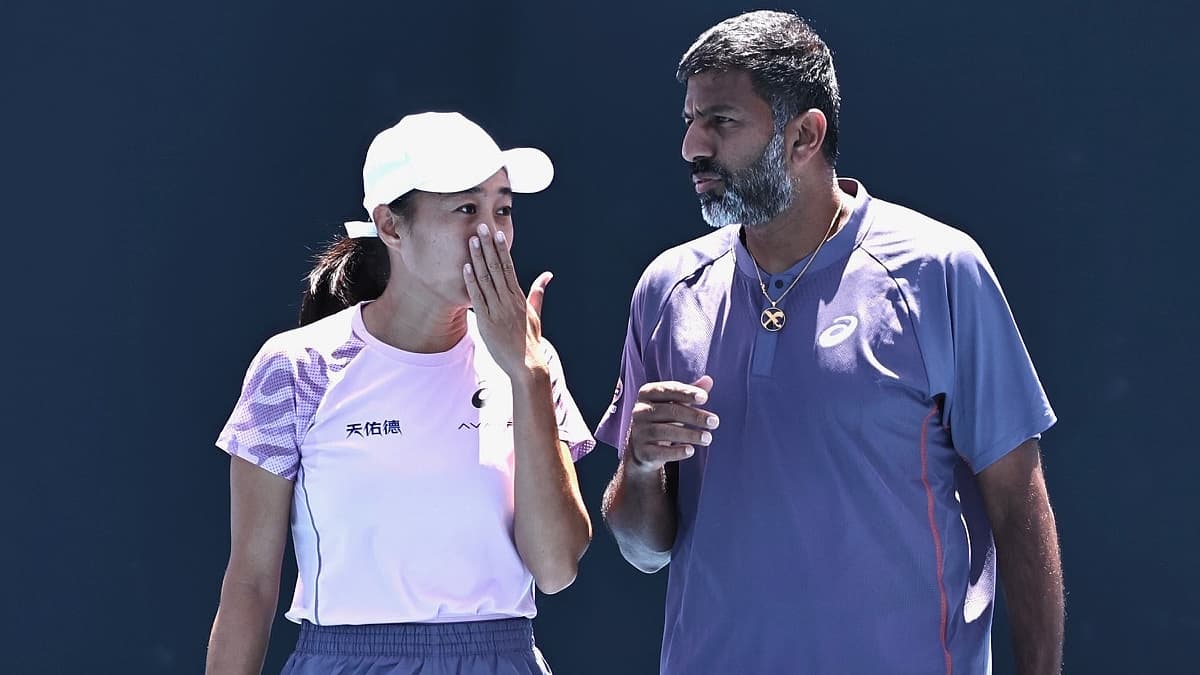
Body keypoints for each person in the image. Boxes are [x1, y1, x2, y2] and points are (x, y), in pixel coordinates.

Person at [597, 11, 1063, 675]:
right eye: (690, 120)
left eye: (721, 121)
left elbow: (1018, 501)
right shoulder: (665, 290)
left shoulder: (940, 271)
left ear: (804, 136)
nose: (691, 147)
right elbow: (646, 549)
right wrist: (640, 465)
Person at [206, 111, 594, 675]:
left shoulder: (533, 364)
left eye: (503, 209)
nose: (494, 234)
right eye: (466, 209)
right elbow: (250, 582)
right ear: (390, 225)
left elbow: (556, 568)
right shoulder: (295, 366)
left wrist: (526, 373)